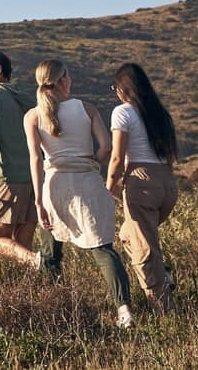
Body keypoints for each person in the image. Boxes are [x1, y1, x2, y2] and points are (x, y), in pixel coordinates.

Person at [24, 59, 135, 329]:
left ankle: (55, 310)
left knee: (50, 252)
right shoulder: (87, 108)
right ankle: (124, 310)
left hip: (54, 186)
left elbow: (35, 160)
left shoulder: (33, 115)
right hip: (87, 182)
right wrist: (90, 161)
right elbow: (106, 146)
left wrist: (38, 201)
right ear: (63, 81)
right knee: (102, 249)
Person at [0, 50, 63, 276]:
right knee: (22, 241)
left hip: (6, 178)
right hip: (35, 179)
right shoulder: (27, 98)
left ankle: (38, 262)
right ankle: (35, 288)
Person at [105, 62, 179, 313]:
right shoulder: (159, 113)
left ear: (123, 89)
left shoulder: (122, 113)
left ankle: (164, 310)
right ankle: (163, 278)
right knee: (129, 235)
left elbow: (117, 157)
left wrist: (109, 189)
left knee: (145, 249)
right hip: (167, 182)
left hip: (140, 180)